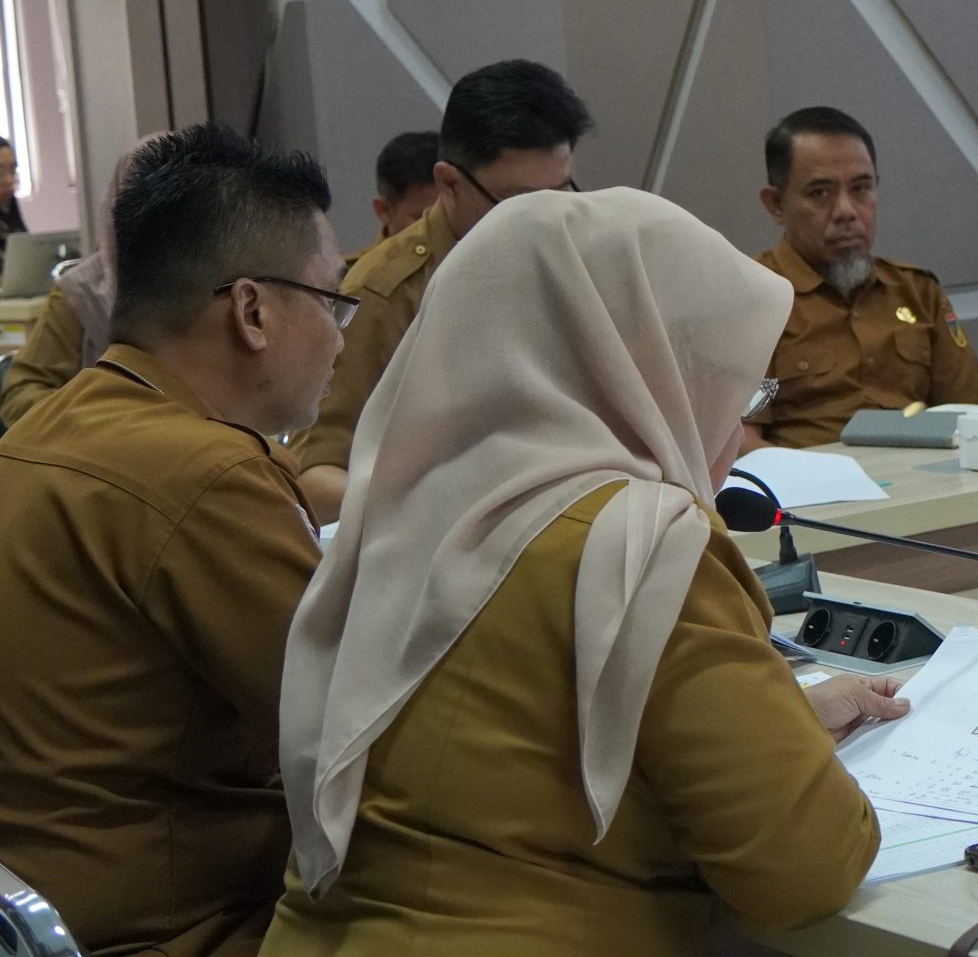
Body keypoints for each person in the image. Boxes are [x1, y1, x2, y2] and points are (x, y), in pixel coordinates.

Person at [265, 189, 896, 956]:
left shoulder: (396, 513)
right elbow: (806, 872)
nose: (735, 429)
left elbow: (514, 746)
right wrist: (801, 762)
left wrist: (775, 722)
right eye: (733, 389)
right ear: (649, 369)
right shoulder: (641, 543)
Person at [0, 125, 345, 957]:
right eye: (332, 302)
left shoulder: (45, 429)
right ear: (252, 311)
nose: (341, 336)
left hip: (42, 897)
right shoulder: (206, 477)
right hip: (181, 923)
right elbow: (350, 726)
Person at [295, 59, 591, 521]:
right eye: (519, 203)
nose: (546, 220)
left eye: (561, 192)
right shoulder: (384, 294)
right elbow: (317, 478)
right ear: (449, 183)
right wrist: (447, 506)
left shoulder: (586, 251)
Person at [751, 106, 978, 447]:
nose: (846, 212)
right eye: (820, 193)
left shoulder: (916, 291)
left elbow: (974, 415)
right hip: (810, 477)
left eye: (861, 189)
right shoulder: (752, 299)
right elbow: (736, 441)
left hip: (922, 473)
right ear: (776, 204)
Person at [0, 136, 159, 426]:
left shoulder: (226, 289)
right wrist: (96, 419)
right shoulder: (81, 295)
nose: (8, 180)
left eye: (13, 170)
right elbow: (20, 394)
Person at [362, 130, 440, 255]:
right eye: (423, 219)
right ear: (384, 210)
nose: (442, 229)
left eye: (448, 216)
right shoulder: (361, 268)